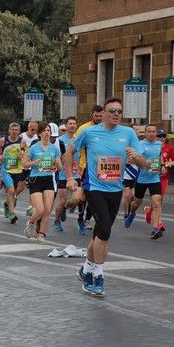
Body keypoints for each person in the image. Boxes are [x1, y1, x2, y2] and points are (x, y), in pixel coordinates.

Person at [65, 97, 145, 296]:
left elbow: (144, 163)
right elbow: (69, 152)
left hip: (115, 189)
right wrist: (69, 177)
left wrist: (136, 157)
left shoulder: (128, 133)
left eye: (120, 111)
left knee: (99, 233)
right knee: (105, 230)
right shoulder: (89, 132)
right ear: (104, 114)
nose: (117, 114)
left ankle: (85, 270)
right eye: (113, 111)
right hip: (94, 187)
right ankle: (98, 275)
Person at [23, 122, 62, 244]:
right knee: (39, 210)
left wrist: (58, 163)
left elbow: (60, 169)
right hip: (36, 180)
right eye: (44, 131)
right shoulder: (34, 148)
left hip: (49, 180)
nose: (47, 133)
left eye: (48, 131)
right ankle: (31, 223)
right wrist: (33, 163)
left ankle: (41, 234)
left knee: (48, 209)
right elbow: (24, 164)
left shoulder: (55, 149)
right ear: (39, 133)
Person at [123, 124, 165, 239]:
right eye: (149, 131)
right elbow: (130, 161)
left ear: (156, 133)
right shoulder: (140, 145)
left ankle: (155, 229)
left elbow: (159, 156)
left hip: (155, 178)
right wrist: (143, 163)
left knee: (157, 202)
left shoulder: (159, 144)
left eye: (153, 131)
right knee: (137, 203)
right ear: (145, 133)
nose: (151, 134)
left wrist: (163, 165)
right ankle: (132, 213)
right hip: (142, 179)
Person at [58, 116, 86, 235]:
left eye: (74, 123)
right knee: (62, 199)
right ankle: (57, 220)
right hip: (63, 174)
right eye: (70, 123)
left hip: (77, 174)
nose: (72, 126)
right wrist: (61, 157)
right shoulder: (60, 140)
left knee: (77, 200)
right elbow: (55, 155)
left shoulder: (80, 139)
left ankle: (80, 221)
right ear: (66, 125)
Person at [0, 122, 23, 224]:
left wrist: (23, 154)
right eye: (13, 130)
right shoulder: (4, 140)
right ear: (9, 130)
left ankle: (7, 205)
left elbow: (27, 152)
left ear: (19, 131)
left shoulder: (22, 142)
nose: (14, 132)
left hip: (18, 170)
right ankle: (12, 213)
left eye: (16, 130)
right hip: (6, 169)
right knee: (11, 190)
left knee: (14, 191)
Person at [20, 121, 39, 215]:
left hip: (33, 166)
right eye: (32, 129)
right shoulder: (22, 136)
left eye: (36, 129)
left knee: (32, 187)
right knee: (20, 187)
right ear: (28, 128)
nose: (34, 131)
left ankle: (30, 207)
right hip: (22, 166)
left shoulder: (38, 138)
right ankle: (13, 197)